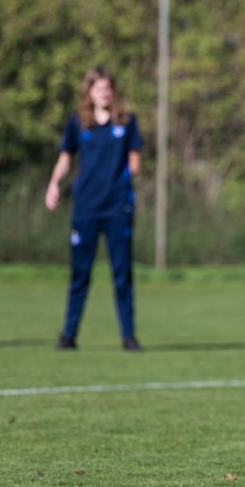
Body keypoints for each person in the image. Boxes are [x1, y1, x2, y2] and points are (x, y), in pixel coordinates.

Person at [44, 66, 144, 352]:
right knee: (80, 274)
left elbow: (135, 162)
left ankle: (129, 335)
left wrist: (125, 174)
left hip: (117, 208)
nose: (104, 93)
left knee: (122, 274)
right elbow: (65, 158)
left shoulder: (127, 122)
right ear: (89, 92)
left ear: (113, 91)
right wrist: (54, 183)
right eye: (98, 88)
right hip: (86, 209)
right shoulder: (78, 123)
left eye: (108, 88)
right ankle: (68, 334)